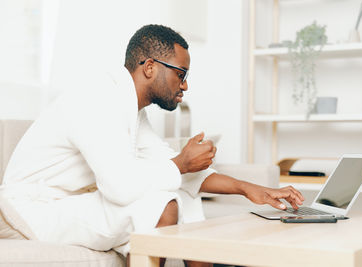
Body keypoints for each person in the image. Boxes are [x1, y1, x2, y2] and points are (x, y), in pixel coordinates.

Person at [1, 24, 304, 267]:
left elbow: (173, 166)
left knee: (180, 196)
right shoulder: (98, 100)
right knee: (160, 203)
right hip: (31, 211)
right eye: (180, 74)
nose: (184, 85)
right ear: (149, 67)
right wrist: (180, 164)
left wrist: (250, 189)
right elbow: (120, 187)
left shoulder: (131, 108)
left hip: (65, 204)